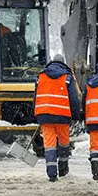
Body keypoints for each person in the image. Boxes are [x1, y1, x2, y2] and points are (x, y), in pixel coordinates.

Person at [33, 54, 81, 182]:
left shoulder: (40, 77)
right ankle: (63, 169)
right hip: (62, 116)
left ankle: (52, 174)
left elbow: (35, 97)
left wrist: (37, 114)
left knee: (49, 145)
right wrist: (76, 115)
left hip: (45, 116)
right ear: (63, 63)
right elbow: (74, 99)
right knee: (64, 143)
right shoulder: (67, 77)